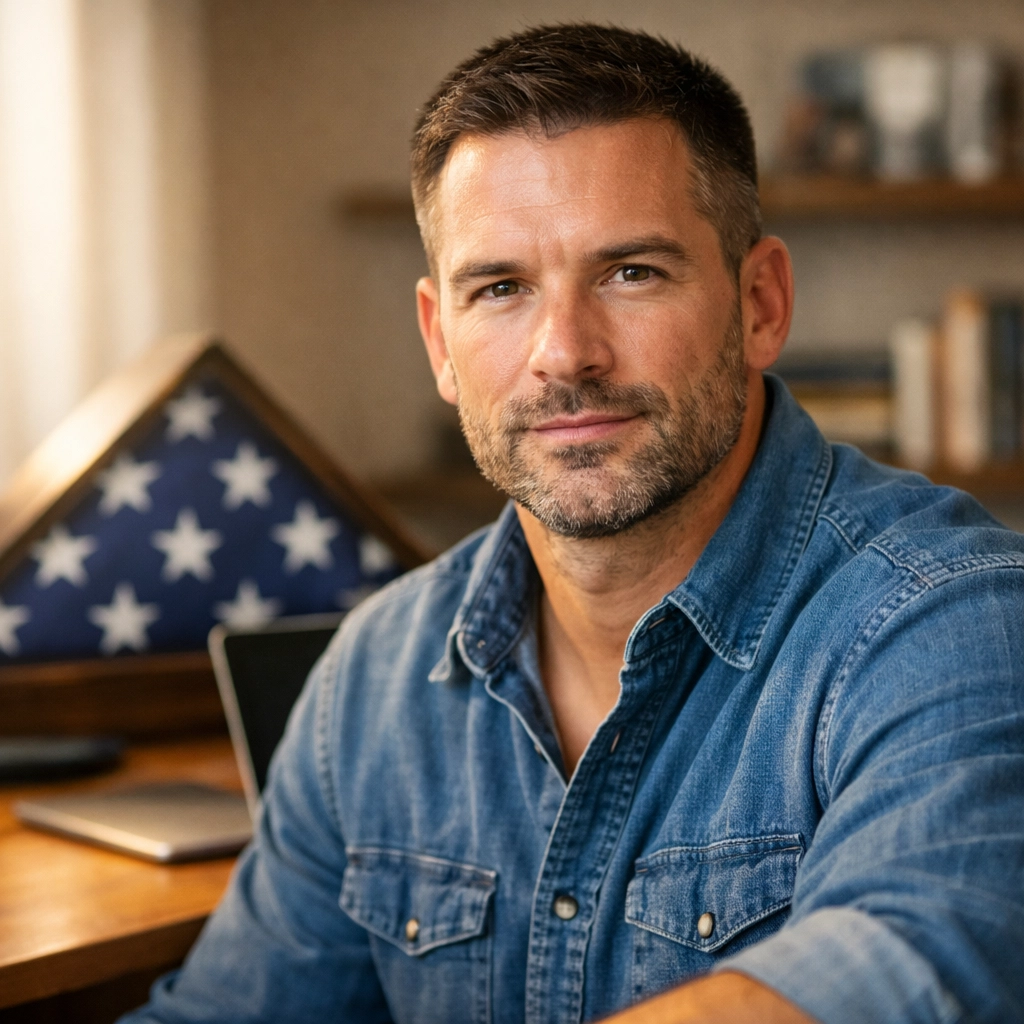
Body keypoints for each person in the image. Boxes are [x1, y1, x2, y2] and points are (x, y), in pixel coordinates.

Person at [122, 24, 1024, 1024]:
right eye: (500, 288)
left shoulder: (953, 624)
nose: (564, 353)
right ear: (440, 341)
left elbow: (904, 975)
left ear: (760, 302)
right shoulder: (372, 679)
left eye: (630, 271)